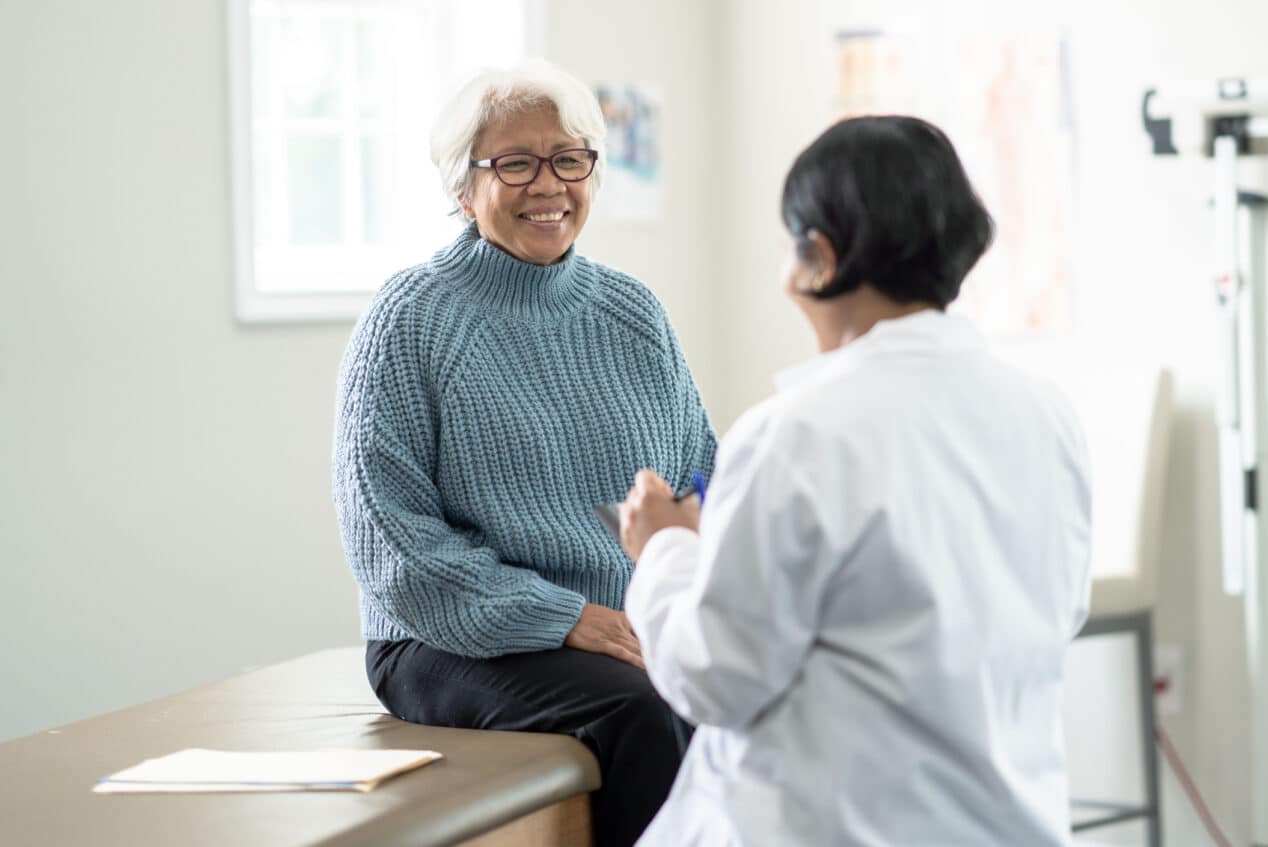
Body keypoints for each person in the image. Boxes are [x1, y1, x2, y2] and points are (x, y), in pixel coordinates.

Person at [619, 115, 1092, 845]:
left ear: (820, 256)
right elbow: (1060, 611)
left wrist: (666, 551)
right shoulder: (1047, 412)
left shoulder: (794, 433)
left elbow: (713, 678)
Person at [332, 61, 717, 847]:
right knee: (640, 710)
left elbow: (699, 479)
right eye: (516, 163)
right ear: (462, 188)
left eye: (569, 158)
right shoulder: (410, 319)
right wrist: (566, 616)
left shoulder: (633, 314)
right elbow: (396, 552)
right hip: (441, 634)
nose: (550, 184)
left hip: (620, 625)